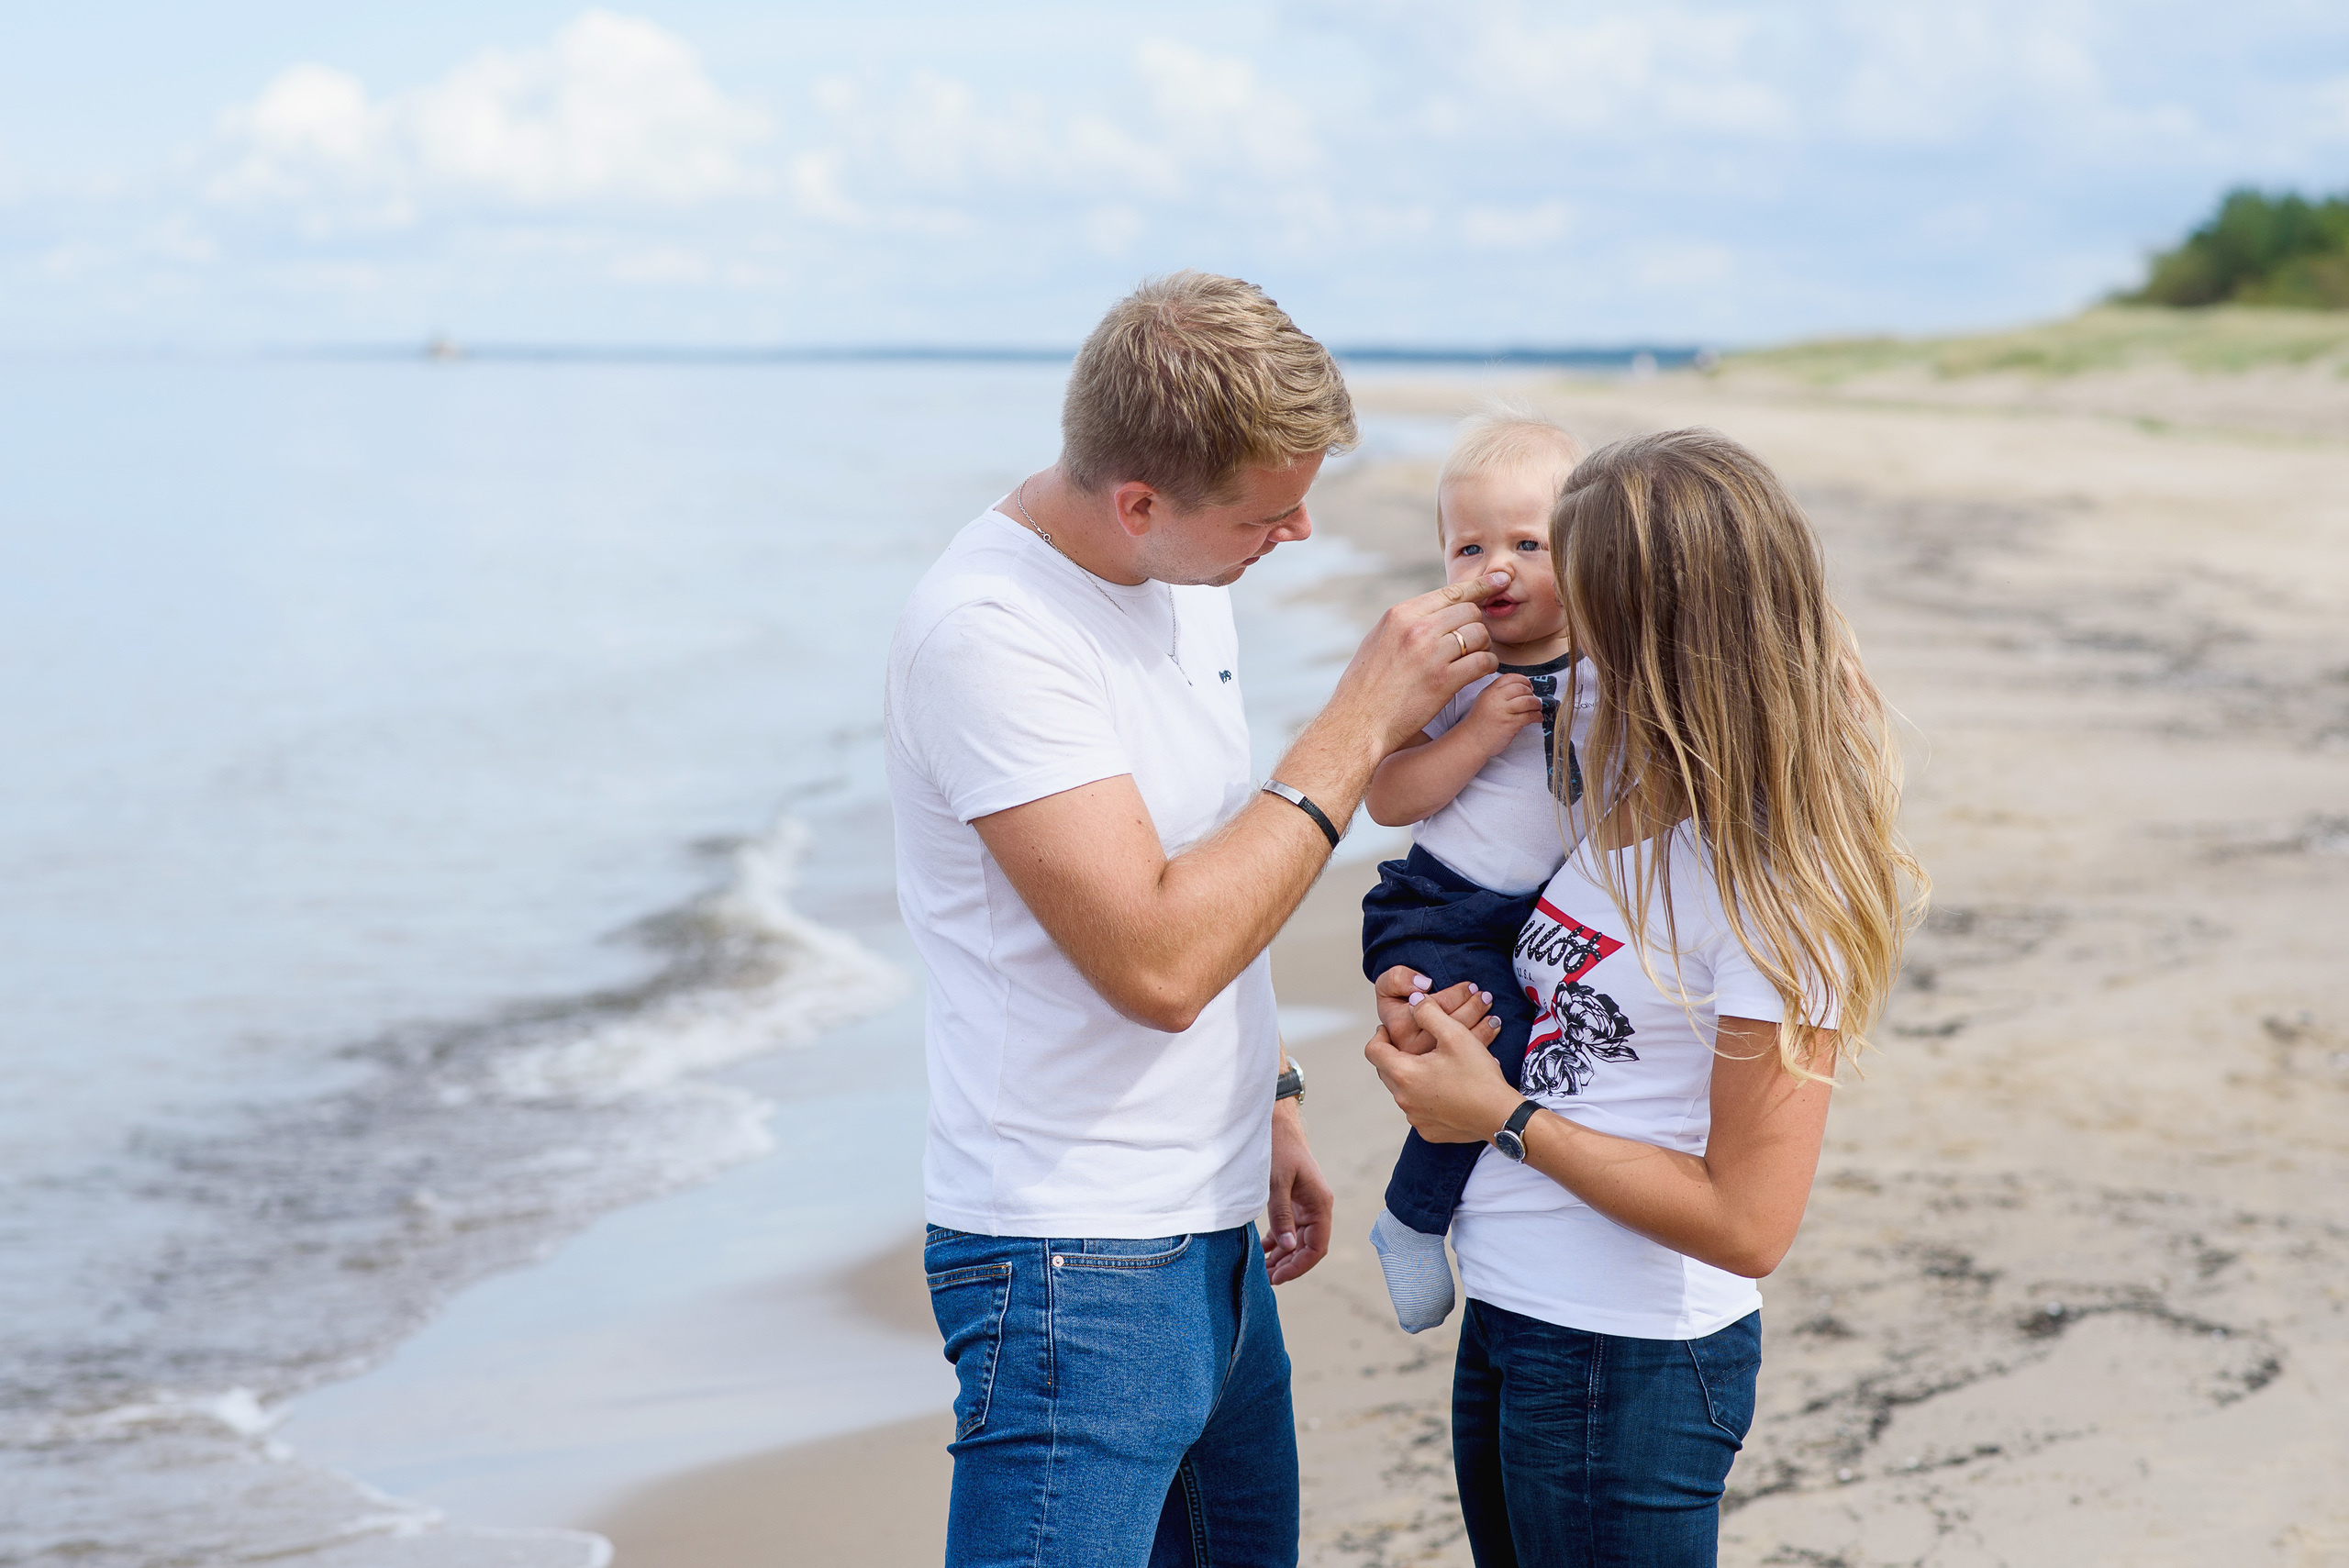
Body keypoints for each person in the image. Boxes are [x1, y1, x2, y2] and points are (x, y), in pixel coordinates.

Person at [884, 271, 1510, 1568]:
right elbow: (1160, 961)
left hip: (1215, 1225)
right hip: (1070, 1259)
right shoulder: (990, 633)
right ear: (1139, 502)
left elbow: (1215, 858)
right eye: (1268, 514)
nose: (1299, 532)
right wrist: (1360, 721)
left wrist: (1269, 1094)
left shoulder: (1185, 570)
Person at [1363, 428, 1926, 1566]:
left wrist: (1499, 1115)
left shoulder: (1768, 885)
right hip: (1513, 1313)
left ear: (1652, 622)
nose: (1540, 605)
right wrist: (1429, 1011)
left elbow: (1748, 1224)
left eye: (1575, 579)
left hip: (1625, 1356)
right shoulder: (1617, 799)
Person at [1355, 409, 1598, 1334]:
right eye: (1469, 548)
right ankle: (1412, 1217)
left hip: (1557, 911)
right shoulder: (1454, 667)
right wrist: (1475, 735)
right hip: (1445, 906)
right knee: (1488, 1045)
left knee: (1575, 1052)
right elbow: (1387, 794)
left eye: (1527, 544)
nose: (1496, 568)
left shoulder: (1610, 665)